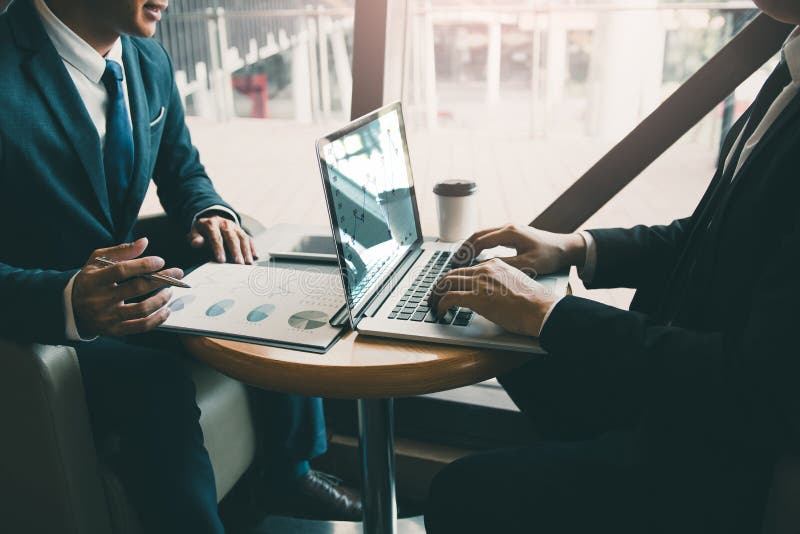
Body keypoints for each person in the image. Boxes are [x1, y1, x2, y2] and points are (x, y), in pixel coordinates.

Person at [425, 1, 800, 533]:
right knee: (495, 331)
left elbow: (753, 390)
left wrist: (548, 313)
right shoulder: (791, 60)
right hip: (674, 393)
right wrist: (573, 246)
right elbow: (704, 235)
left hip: (714, 455)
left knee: (460, 493)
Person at [0, 0, 360, 531]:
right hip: (43, 321)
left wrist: (209, 211)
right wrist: (67, 298)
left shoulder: (148, 59)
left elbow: (182, 168)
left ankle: (289, 471)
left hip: (131, 287)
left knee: (255, 272)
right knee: (157, 384)